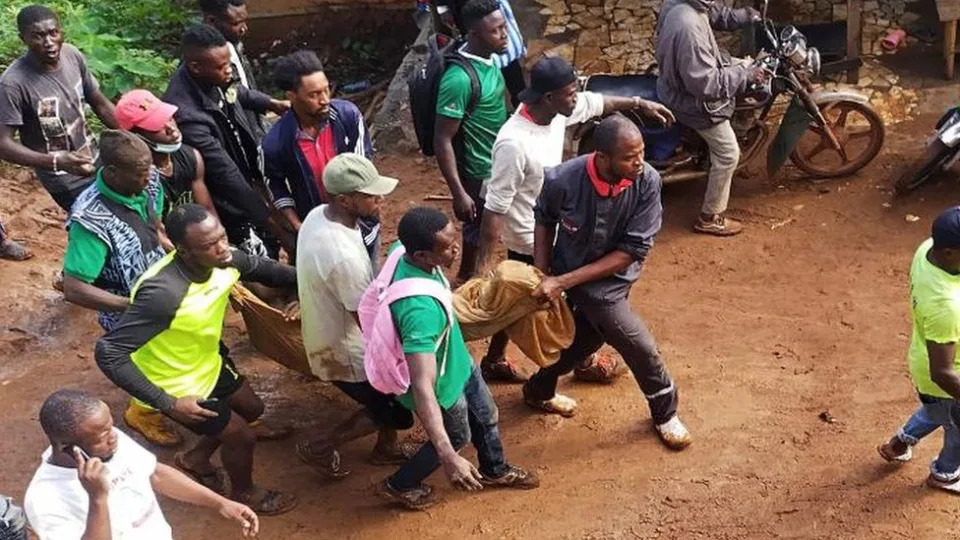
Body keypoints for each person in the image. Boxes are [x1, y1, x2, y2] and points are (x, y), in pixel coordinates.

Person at [476, 55, 675, 384]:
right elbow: (494, 208)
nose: (577, 98)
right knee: (534, 298)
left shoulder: (556, 111)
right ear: (549, 98)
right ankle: (568, 360)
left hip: (561, 223)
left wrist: (639, 103)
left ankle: (510, 358)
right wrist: (482, 271)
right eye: (571, 93)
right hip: (530, 234)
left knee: (552, 296)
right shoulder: (513, 143)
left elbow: (598, 103)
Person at [94, 204, 299, 515]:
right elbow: (108, 352)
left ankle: (195, 459)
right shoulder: (163, 293)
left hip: (206, 361)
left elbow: (270, 271)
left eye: (222, 237)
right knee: (241, 436)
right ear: (184, 251)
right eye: (208, 245)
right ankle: (245, 492)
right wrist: (168, 403)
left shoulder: (225, 259)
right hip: (173, 383)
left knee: (252, 409)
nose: (222, 248)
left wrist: (315, 283)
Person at [521, 116, 691, 450]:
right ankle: (665, 413)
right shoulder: (562, 179)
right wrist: (542, 275)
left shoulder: (648, 182)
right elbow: (544, 219)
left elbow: (630, 252)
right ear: (602, 158)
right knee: (637, 345)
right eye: (630, 157)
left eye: (641, 152)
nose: (639, 162)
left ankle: (538, 390)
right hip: (570, 276)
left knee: (585, 341)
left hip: (611, 281)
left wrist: (560, 281)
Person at [375, 206, 539, 511]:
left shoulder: (403, 251)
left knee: (486, 414)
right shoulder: (419, 312)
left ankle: (495, 469)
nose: (456, 249)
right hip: (441, 383)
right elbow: (423, 385)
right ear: (422, 255)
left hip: (457, 360)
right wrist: (449, 456)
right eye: (448, 247)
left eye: (455, 240)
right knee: (456, 434)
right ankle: (400, 485)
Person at [295, 153, 415, 476]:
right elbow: (368, 319)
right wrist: (397, 354)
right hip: (345, 350)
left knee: (387, 397)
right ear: (346, 200)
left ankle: (386, 447)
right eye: (371, 195)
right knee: (395, 410)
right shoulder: (342, 256)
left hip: (327, 330)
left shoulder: (319, 215)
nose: (380, 199)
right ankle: (320, 446)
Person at [61, 130, 181, 448]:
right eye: (141, 174)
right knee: (146, 363)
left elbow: (154, 225)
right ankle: (142, 413)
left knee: (178, 348)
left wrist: (180, 256)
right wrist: (131, 306)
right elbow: (74, 288)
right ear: (113, 172)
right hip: (127, 306)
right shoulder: (90, 221)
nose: (149, 179)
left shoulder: (148, 179)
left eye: (149, 170)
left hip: (161, 284)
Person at [24, 389, 259, 539]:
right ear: (69, 449)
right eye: (102, 435)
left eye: (110, 426)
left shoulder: (108, 440)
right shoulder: (45, 499)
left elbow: (155, 474)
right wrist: (98, 499)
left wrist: (219, 503)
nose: (113, 435)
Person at [163, 24, 293, 258]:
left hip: (244, 169)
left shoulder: (211, 75)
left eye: (229, 63)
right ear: (196, 67)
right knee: (257, 255)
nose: (230, 71)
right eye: (222, 67)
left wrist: (272, 103)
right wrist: (274, 225)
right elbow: (226, 175)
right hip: (226, 200)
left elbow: (236, 91)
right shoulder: (188, 115)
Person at [655, 0, 766, 236]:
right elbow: (706, 84)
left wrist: (747, 15)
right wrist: (746, 74)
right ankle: (710, 217)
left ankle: (738, 134)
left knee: (745, 70)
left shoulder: (685, 4)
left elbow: (717, 15)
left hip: (678, 84)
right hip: (692, 101)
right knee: (728, 154)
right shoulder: (688, 26)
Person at [262, 50, 380, 262]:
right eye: (314, 94)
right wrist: (300, 227)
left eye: (327, 90)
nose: (325, 100)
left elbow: (363, 170)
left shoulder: (348, 117)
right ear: (291, 96)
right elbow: (276, 188)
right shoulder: (275, 143)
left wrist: (362, 217)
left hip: (360, 225)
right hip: (319, 235)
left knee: (368, 281)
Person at [0, 5, 118, 212]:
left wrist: (132, 135)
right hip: (63, 179)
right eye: (37, 36)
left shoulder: (72, 55)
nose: (49, 43)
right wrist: (56, 161)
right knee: (99, 227)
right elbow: (3, 144)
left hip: (97, 160)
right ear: (23, 39)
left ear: (60, 31)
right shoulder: (13, 83)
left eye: (53, 33)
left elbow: (99, 103)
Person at [875, 207, 960, 493]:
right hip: (945, 378)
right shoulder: (945, 306)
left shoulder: (928, 249)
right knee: (956, 426)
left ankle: (898, 445)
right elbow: (943, 373)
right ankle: (945, 474)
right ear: (949, 252)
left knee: (937, 411)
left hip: (925, 367)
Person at [434, 0, 509, 284]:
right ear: (474, 34)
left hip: (497, 163)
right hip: (477, 171)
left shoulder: (491, 59)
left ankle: (470, 278)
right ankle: (468, 281)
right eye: (496, 31)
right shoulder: (459, 80)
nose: (504, 35)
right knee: (478, 229)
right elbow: (442, 139)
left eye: (504, 27)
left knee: (484, 229)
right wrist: (458, 192)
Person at [115, 89, 218, 217]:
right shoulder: (136, 181)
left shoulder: (191, 157)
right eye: (157, 125)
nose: (172, 129)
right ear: (136, 136)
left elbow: (207, 211)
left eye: (169, 118)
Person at [434, 0, 527, 106]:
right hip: (467, 12)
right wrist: (443, 7)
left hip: (491, 9)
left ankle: (520, 103)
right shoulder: (459, 79)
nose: (504, 34)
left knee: (506, 54)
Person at [199, 0, 266, 139]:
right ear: (211, 20)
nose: (244, 28)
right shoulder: (203, 63)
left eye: (244, 21)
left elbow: (246, 87)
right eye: (236, 24)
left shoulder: (233, 43)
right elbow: (233, 92)